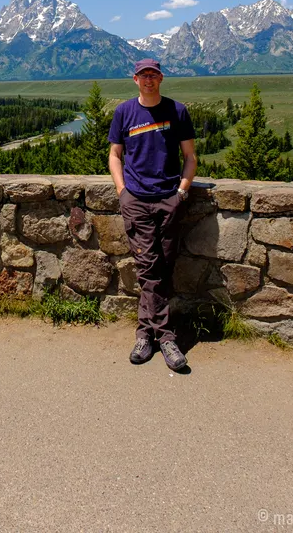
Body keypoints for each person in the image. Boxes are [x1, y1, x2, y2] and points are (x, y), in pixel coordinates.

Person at [108, 58, 197, 370]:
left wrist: (181, 192)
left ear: (161, 78)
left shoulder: (178, 111)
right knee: (148, 267)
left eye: (153, 75)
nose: (149, 80)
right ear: (135, 80)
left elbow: (190, 156)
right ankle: (167, 338)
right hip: (137, 200)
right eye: (143, 76)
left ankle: (146, 333)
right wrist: (122, 192)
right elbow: (115, 155)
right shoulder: (124, 112)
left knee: (163, 265)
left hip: (168, 199)